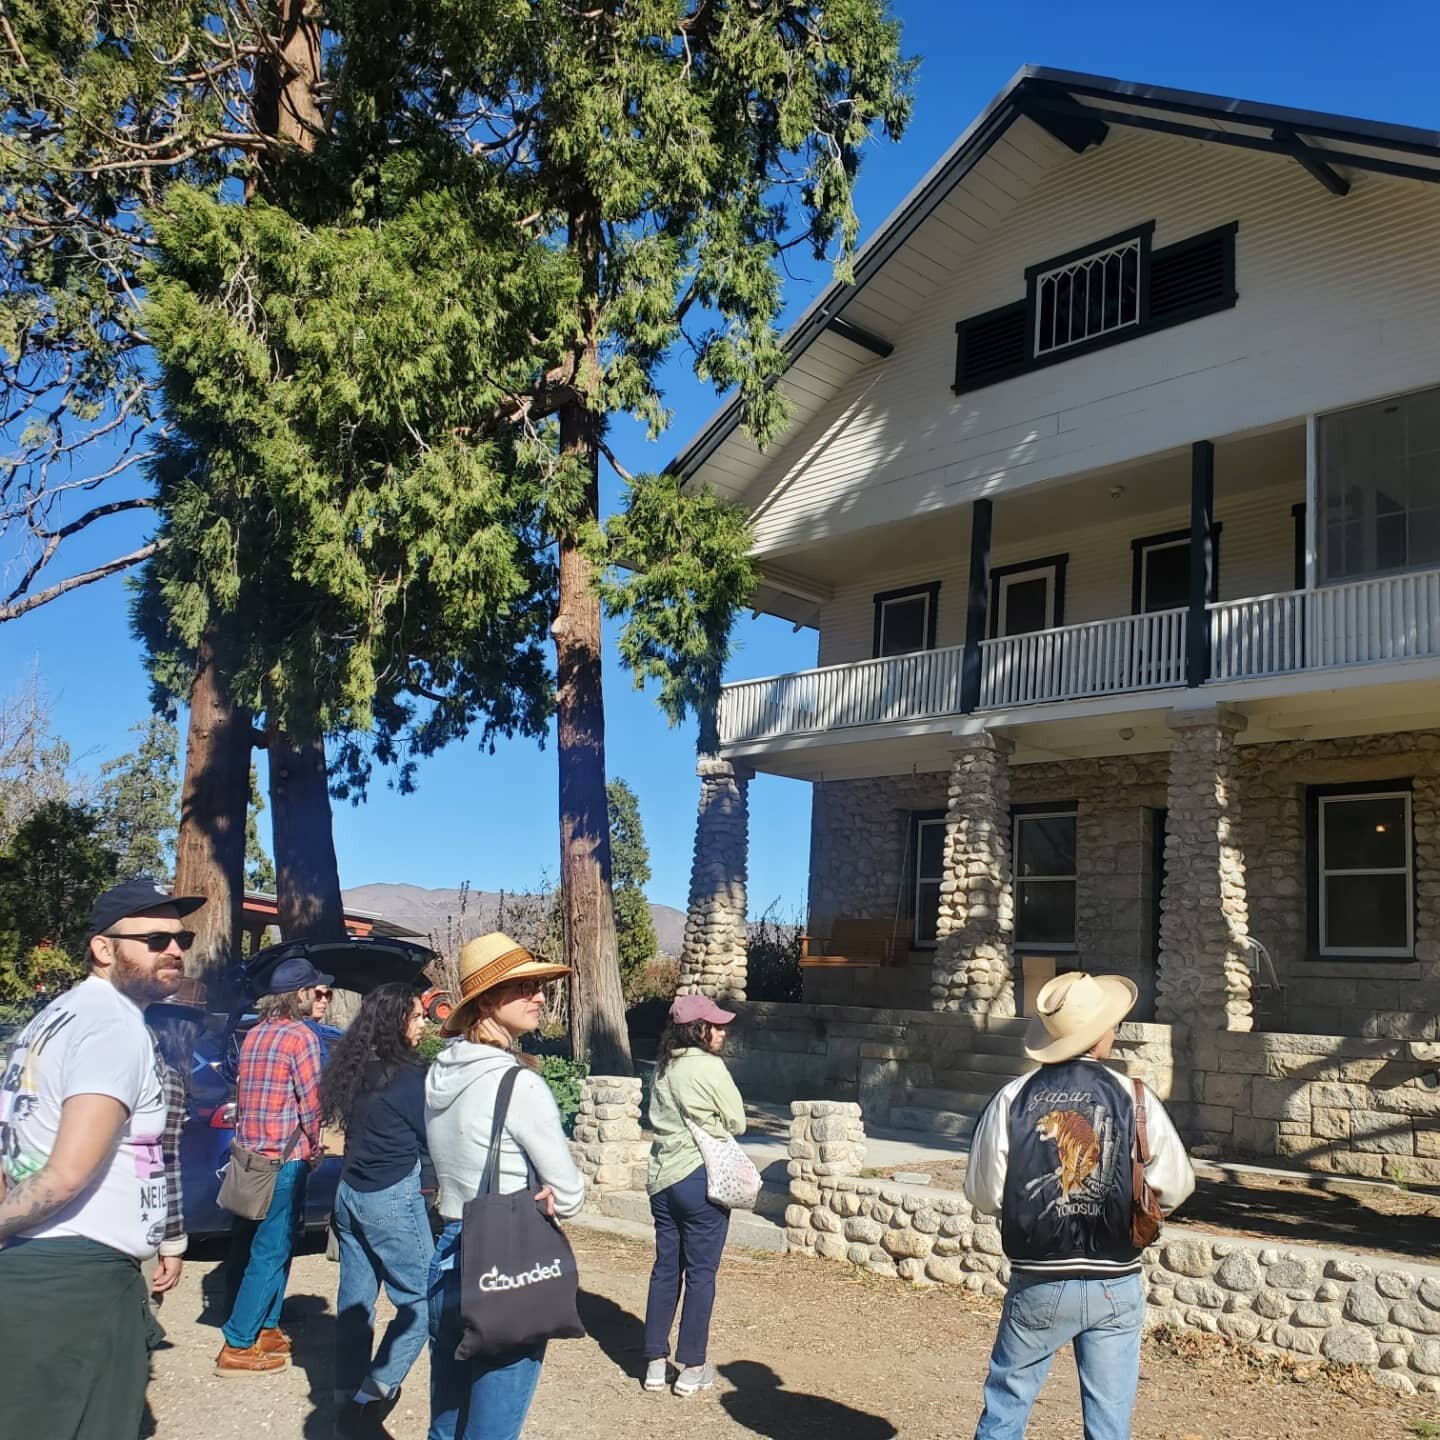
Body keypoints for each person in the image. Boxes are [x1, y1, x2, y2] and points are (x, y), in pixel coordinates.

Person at [0, 877, 205, 1439]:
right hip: (74, 1281)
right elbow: (67, 1174)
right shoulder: (111, 1026)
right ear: (103, 947)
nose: (175, 951)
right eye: (156, 940)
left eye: (181, 939)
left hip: (44, 1270)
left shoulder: (52, 1018)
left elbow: (11, 1142)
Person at [964, 971, 1195, 1440]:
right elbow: (1175, 1184)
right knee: (1109, 1422)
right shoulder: (1136, 1097)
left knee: (1007, 1405)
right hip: (1115, 1277)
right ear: (1102, 1033)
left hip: (1039, 1278)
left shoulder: (1013, 1098)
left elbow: (984, 1192)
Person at [425, 932, 584, 1440]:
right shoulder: (520, 1084)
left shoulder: (437, 1073)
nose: (539, 996)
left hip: (446, 1254)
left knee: (446, 1424)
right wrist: (554, 1190)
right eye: (525, 987)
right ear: (489, 1001)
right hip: (503, 1266)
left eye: (538, 985)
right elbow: (571, 1193)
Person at [321, 983, 434, 1439]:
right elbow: (433, 1139)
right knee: (424, 1302)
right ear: (395, 1023)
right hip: (389, 1197)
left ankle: (343, 1396)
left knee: (355, 1303)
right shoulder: (410, 1079)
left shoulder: (357, 1070)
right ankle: (373, 1395)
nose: (424, 1023)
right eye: (417, 1016)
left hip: (349, 1196)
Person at [216, 955, 330, 1376]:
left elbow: (245, 1095)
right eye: (314, 991)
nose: (316, 997)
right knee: (273, 1248)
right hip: (284, 1158)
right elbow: (311, 1102)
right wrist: (317, 1146)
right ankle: (239, 1344)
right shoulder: (301, 1037)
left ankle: (266, 1326)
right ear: (299, 994)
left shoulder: (255, 1033)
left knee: (255, 1244)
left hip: (249, 1156)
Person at [642, 993, 746, 1397]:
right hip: (702, 1179)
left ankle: (654, 1362)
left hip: (662, 1179)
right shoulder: (710, 1067)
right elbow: (736, 1120)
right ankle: (691, 1367)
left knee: (666, 1268)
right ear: (697, 1029)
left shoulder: (664, 1066)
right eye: (715, 1025)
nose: (721, 1032)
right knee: (701, 1272)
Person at [143, 977, 209, 1315]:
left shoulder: (129, 1061)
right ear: (184, 1028)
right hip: (138, 1221)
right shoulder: (166, 1078)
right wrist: (173, 1242)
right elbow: (163, 1162)